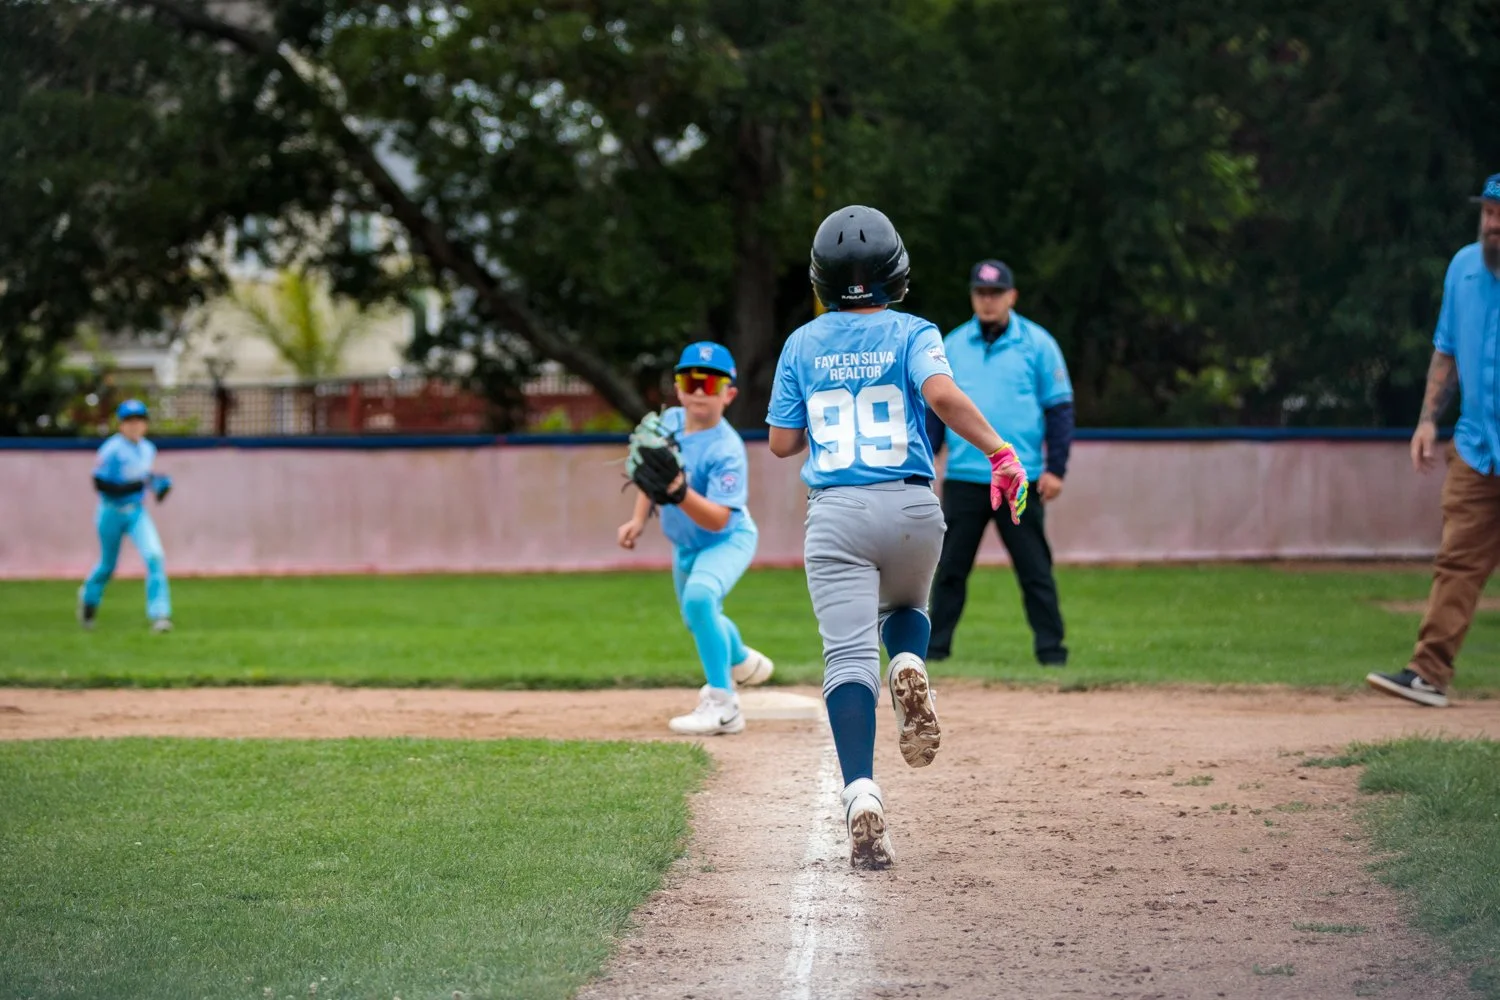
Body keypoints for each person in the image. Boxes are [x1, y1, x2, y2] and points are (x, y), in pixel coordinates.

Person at [766, 206, 1028, 869]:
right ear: (896, 273)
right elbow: (941, 397)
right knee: (906, 608)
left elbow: (779, 443)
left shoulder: (801, 342)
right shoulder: (916, 331)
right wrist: (999, 451)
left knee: (846, 662)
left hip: (837, 515)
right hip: (913, 505)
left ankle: (860, 796)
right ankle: (909, 663)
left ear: (822, 278)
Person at [1367, 173, 1500, 708]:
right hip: (1476, 447)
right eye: (1489, 214)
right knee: (1457, 561)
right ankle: (1428, 673)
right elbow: (1445, 350)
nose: (1493, 226)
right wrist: (1427, 420)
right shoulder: (1463, 269)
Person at [618, 342, 775, 735]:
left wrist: (679, 491)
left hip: (727, 540)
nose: (699, 391)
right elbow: (648, 473)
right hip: (686, 545)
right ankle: (740, 659)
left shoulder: (727, 448)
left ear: (729, 394)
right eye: (691, 381)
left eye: (710, 383)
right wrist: (638, 519)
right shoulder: (667, 422)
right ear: (678, 386)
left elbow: (721, 519)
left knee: (701, 600)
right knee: (698, 618)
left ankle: (724, 705)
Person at [925, 259, 1074, 667]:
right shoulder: (952, 344)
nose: (987, 302)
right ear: (973, 297)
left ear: (1012, 296)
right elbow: (938, 408)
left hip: (1017, 479)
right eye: (980, 294)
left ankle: (1051, 653)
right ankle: (934, 651)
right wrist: (926, 461)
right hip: (964, 476)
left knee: (1034, 570)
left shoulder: (1038, 344)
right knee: (950, 571)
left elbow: (1059, 409)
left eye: (995, 294)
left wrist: (1056, 469)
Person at [78, 399, 175, 632]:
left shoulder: (147, 449)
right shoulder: (111, 449)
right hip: (110, 511)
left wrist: (159, 487)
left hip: (136, 512)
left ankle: (160, 614)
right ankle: (89, 599)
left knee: (154, 555)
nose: (134, 425)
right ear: (121, 425)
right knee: (107, 565)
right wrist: (135, 486)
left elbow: (144, 479)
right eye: (129, 421)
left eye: (139, 420)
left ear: (145, 424)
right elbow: (100, 484)